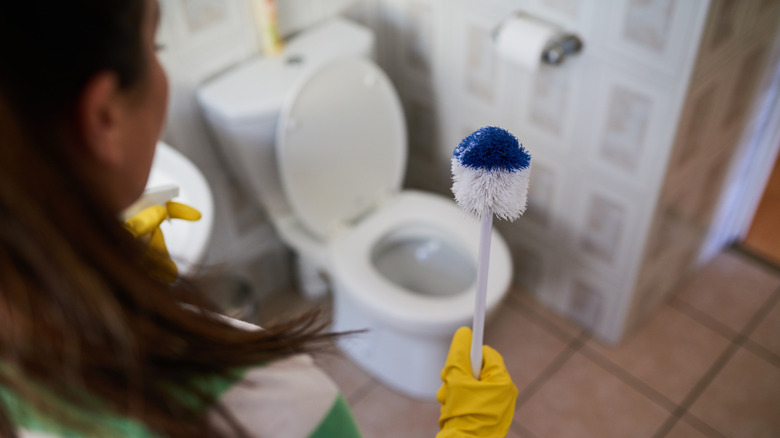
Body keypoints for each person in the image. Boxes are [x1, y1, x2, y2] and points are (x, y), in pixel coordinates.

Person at [0, 1, 518, 437]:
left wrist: (97, 269)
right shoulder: (269, 404)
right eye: (155, 48)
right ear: (105, 116)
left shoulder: (20, 355)